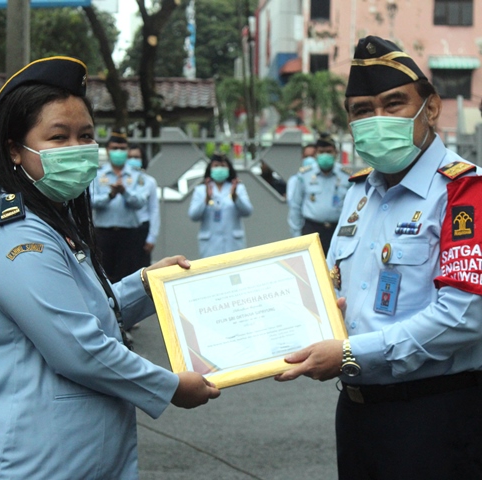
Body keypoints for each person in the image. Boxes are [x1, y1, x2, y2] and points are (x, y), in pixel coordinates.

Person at [0, 56, 220, 479]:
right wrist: (171, 387)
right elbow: (79, 348)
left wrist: (147, 284)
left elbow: (83, 309)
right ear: (14, 148)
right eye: (58, 137)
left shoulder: (50, 215)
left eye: (85, 135)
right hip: (22, 459)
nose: (77, 149)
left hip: (65, 452)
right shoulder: (17, 234)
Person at [275, 36, 482, 479]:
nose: (377, 120)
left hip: (434, 415)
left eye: (393, 104)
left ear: (430, 109)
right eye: (363, 111)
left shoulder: (464, 192)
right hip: (357, 414)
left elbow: (466, 315)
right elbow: (334, 286)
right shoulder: (358, 192)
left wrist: (351, 353)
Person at [92, 130, 148, 283]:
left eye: (122, 149)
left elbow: (141, 202)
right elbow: (91, 201)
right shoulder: (98, 175)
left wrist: (125, 192)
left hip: (129, 234)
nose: (118, 152)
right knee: (104, 276)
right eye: (115, 148)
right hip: (104, 234)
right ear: (108, 150)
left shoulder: (137, 175)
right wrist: (109, 195)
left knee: (129, 276)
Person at [287, 134, 352, 255]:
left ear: (336, 153)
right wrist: (296, 236)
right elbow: (295, 206)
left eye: (329, 152)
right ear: (316, 154)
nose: (325, 155)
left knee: (334, 271)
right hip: (311, 230)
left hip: (337, 231)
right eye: (322, 152)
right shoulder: (305, 175)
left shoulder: (345, 176)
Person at [188, 153, 253, 258]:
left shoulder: (237, 188)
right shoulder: (201, 190)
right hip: (210, 245)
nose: (219, 169)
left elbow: (248, 211)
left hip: (233, 244)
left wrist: (235, 197)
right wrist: (206, 199)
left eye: (223, 166)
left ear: (229, 168)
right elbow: (193, 215)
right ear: (210, 169)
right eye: (216, 166)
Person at [126, 144, 159, 269]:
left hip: (141, 230)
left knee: (141, 269)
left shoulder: (148, 181)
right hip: (124, 230)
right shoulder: (120, 179)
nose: (133, 160)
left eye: (136, 157)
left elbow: (154, 210)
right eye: (130, 157)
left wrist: (152, 237)